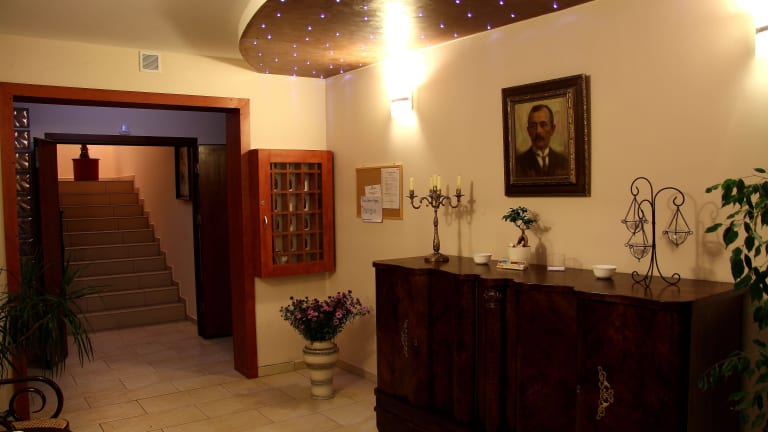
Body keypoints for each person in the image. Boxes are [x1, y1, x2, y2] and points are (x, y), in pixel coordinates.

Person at [515, 104, 569, 178]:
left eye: (543, 125)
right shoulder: (518, 164)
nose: (538, 131)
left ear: (552, 129)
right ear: (528, 131)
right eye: (533, 126)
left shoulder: (564, 162)